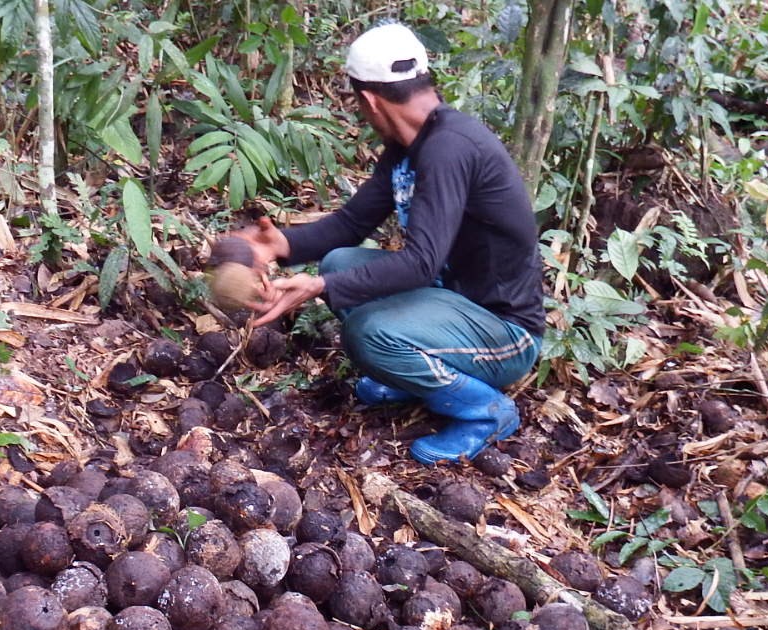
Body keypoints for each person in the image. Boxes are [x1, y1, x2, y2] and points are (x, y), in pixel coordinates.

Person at [233, 22, 549, 464]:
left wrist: (316, 289)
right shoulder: (408, 147)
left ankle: (486, 412)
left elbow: (420, 264)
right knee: (341, 263)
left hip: (505, 333)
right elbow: (350, 224)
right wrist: (278, 245)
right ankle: (415, 375)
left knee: (367, 332)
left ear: (368, 100)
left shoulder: (450, 147)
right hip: (452, 304)